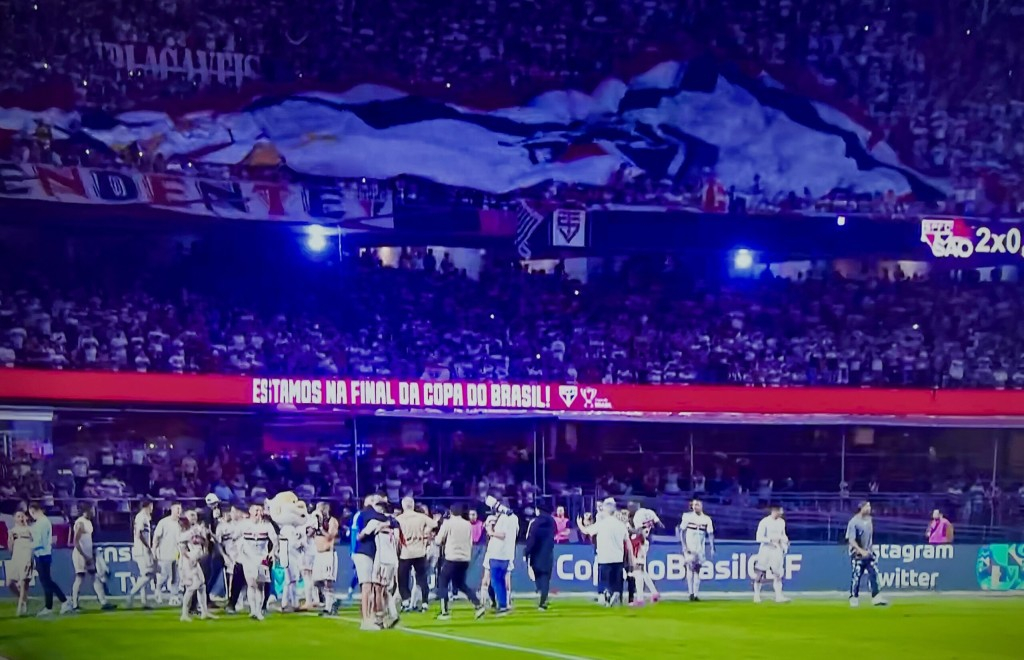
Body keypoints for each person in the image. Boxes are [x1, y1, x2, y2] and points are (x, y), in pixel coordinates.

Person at [435, 503, 486, 620]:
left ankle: (444, 612)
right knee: (460, 584)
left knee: (443, 581)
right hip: (464, 558)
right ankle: (478, 604)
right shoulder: (468, 525)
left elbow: (438, 540)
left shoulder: (448, 523)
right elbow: (471, 541)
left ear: (451, 512)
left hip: (452, 557)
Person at [576, 498, 629, 606]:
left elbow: (587, 531)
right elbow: (627, 542)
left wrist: (579, 523)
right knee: (616, 581)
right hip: (618, 558)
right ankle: (616, 595)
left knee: (604, 580)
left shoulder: (601, 524)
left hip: (604, 558)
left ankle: (605, 595)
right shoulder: (621, 525)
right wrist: (631, 559)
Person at [29, 501, 73, 616]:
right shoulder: (43, 522)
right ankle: (49, 606)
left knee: (47, 581)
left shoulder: (41, 523)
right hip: (43, 554)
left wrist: (27, 546)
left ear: (33, 511)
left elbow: (39, 542)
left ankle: (64, 601)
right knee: (46, 582)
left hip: (42, 554)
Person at [70, 503, 116, 611]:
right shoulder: (80, 523)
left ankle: (103, 602)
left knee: (95, 577)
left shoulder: (88, 523)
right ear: (86, 511)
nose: (93, 512)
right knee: (80, 578)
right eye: (91, 510)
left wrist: (90, 554)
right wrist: (84, 556)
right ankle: (75, 604)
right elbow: (76, 542)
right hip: (80, 555)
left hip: (88, 554)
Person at [353, 494, 389, 630]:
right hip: (364, 553)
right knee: (367, 586)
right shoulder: (367, 514)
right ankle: (366, 620)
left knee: (375, 587)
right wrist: (385, 522)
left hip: (373, 553)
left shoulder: (374, 516)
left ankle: (374, 617)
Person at [239, 501, 277, 620]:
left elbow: (275, 540)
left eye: (260, 510)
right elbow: (236, 539)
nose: (258, 513)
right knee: (251, 584)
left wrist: (272, 552)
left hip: (262, 559)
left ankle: (259, 611)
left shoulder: (267, 525)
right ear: (250, 511)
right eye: (256, 510)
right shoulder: (244, 525)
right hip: (248, 559)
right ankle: (253, 610)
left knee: (260, 585)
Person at [397, 496, 435, 612]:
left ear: (403, 506)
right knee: (422, 578)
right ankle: (424, 603)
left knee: (402, 578)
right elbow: (433, 524)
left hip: (406, 552)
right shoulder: (421, 517)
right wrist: (425, 532)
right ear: (413, 505)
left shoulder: (399, 518)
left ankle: (405, 601)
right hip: (420, 551)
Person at [847, 501, 888, 607]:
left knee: (874, 574)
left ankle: (876, 597)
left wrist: (870, 550)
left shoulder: (870, 520)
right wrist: (860, 551)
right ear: (862, 508)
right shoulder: (854, 522)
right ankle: (854, 598)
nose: (870, 508)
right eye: (867, 506)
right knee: (857, 576)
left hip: (869, 553)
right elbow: (851, 540)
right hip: (857, 554)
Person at [179, 509, 217, 622]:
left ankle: (204, 612)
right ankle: (184, 614)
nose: (194, 517)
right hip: (188, 563)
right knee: (192, 586)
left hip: (196, 561)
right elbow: (182, 548)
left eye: (195, 515)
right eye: (191, 515)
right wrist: (189, 558)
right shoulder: (185, 532)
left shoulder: (198, 529)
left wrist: (205, 550)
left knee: (202, 585)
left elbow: (205, 541)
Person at [367, 506, 402, 629]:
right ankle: (393, 614)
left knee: (378, 589)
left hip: (382, 560)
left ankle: (379, 619)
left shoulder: (376, 523)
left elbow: (362, 535)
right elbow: (398, 544)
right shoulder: (396, 526)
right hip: (393, 560)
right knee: (386, 590)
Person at [484, 497, 519, 616]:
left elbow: (502, 534)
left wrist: (490, 531)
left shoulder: (504, 518)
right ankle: (504, 604)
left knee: (495, 580)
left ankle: (503, 605)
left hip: (498, 552)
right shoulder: (514, 518)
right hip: (508, 553)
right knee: (501, 580)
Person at [752, 505, 791, 603]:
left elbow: (783, 535)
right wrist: (770, 540)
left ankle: (779, 596)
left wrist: (785, 541)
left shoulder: (782, 522)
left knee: (778, 574)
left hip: (777, 550)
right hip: (766, 550)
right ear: (774, 510)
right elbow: (758, 537)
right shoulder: (764, 522)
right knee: (760, 573)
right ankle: (756, 596)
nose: (781, 513)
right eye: (780, 511)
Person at [679, 498, 714, 602]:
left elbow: (710, 534)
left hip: (700, 548)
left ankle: (696, 594)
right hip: (689, 546)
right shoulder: (687, 517)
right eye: (694, 505)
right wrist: (684, 545)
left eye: (697, 505)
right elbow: (682, 532)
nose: (695, 507)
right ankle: (691, 593)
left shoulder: (707, 519)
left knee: (697, 570)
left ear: (701, 506)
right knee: (690, 567)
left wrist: (712, 547)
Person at [523, 500, 555, 610]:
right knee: (545, 577)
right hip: (548, 553)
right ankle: (544, 598)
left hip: (536, 554)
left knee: (538, 576)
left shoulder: (535, 523)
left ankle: (542, 595)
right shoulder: (552, 522)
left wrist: (527, 552)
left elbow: (532, 539)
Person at [126, 498, 157, 609]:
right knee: (147, 575)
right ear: (148, 506)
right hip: (142, 550)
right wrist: (147, 546)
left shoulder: (144, 517)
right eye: (152, 506)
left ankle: (144, 601)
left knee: (143, 575)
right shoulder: (142, 517)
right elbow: (139, 534)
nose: (152, 509)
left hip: (141, 549)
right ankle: (131, 595)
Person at [628, 504, 661, 606]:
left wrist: (628, 529)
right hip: (646, 542)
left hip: (640, 544)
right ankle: (654, 593)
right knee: (642, 571)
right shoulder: (650, 512)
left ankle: (640, 598)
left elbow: (638, 532)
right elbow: (659, 524)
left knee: (638, 571)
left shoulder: (637, 517)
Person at [312, 502, 340, 617]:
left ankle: (328, 608)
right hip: (318, 555)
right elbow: (310, 534)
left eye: (320, 508)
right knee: (316, 581)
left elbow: (330, 536)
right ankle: (332, 600)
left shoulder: (332, 521)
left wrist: (320, 528)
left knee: (328, 582)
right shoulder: (316, 522)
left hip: (328, 554)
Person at [153, 502, 183, 605]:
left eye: (180, 509)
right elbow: (156, 537)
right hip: (165, 554)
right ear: (172, 509)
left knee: (176, 577)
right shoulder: (164, 522)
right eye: (177, 509)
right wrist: (154, 550)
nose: (179, 511)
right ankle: (157, 590)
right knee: (164, 576)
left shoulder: (180, 524)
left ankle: (173, 597)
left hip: (177, 554)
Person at [7, 510, 34, 617]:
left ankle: (21, 607)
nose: (21, 518)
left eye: (23, 516)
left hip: (26, 556)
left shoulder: (30, 529)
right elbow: (10, 549)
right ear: (15, 518)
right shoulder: (12, 530)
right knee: (10, 582)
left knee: (23, 582)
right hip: (16, 557)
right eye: (19, 516)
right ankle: (23, 599)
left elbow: (34, 541)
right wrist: (10, 539)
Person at [222, 504, 248, 614]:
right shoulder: (227, 526)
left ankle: (254, 604)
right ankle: (233, 603)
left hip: (249, 557)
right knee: (236, 582)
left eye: (234, 511)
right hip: (237, 558)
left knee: (252, 583)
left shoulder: (247, 524)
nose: (231, 514)